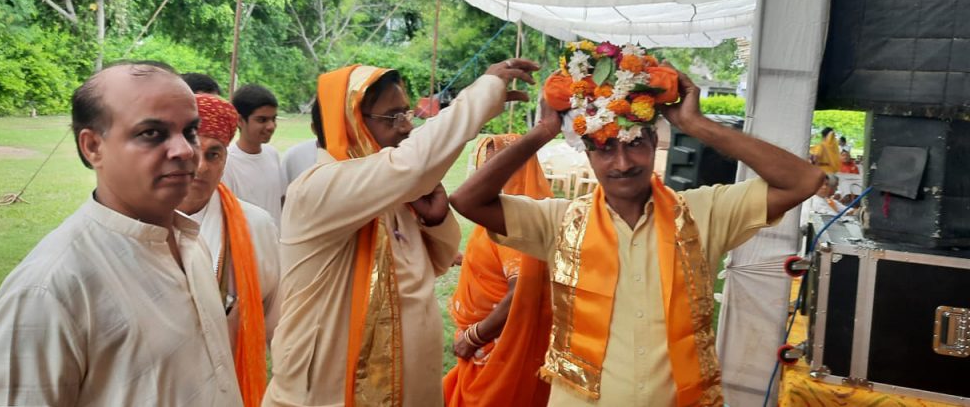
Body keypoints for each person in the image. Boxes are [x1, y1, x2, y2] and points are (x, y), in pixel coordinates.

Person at [450, 42, 824, 406]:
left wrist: (696, 125)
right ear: (587, 154)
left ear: (654, 142)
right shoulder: (559, 221)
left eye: (634, 143)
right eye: (605, 147)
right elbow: (468, 200)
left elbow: (804, 181)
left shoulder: (704, 212)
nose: (623, 163)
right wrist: (544, 130)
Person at [0, 62, 243, 406]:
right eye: (152, 133)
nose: (186, 151)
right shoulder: (50, 288)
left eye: (189, 131)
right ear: (93, 146)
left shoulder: (188, 240)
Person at [263, 59, 539, 407]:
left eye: (406, 113)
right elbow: (414, 164)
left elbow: (435, 264)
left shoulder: (388, 193)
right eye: (392, 117)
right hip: (331, 390)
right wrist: (482, 93)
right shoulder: (318, 188)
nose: (406, 127)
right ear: (349, 123)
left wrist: (435, 221)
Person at [177, 93, 284, 407]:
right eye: (192, 152)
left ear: (226, 159)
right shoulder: (142, 223)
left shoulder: (255, 225)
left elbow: (276, 316)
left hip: (230, 390)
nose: (201, 167)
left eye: (214, 155)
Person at [442, 134, 553, 407]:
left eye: (496, 165)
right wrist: (464, 259)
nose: (486, 174)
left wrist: (474, 336)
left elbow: (520, 292)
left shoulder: (517, 222)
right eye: (484, 165)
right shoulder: (501, 211)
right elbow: (499, 262)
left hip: (496, 347)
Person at [223, 84, 286, 226]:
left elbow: (281, 200)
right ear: (239, 120)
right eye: (262, 120)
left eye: (273, 119)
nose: (271, 126)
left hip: (273, 244)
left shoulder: (272, 154)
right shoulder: (227, 162)